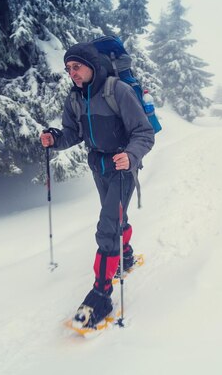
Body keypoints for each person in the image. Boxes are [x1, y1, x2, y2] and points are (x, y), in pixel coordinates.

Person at [40, 42, 154, 328]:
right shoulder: (76, 98)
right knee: (116, 217)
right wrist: (55, 140)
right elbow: (71, 134)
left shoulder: (117, 90)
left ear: (91, 65)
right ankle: (125, 256)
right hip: (99, 167)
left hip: (122, 168)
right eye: (68, 69)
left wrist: (130, 156)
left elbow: (144, 133)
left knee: (107, 225)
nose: (72, 73)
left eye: (76, 66)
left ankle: (101, 295)